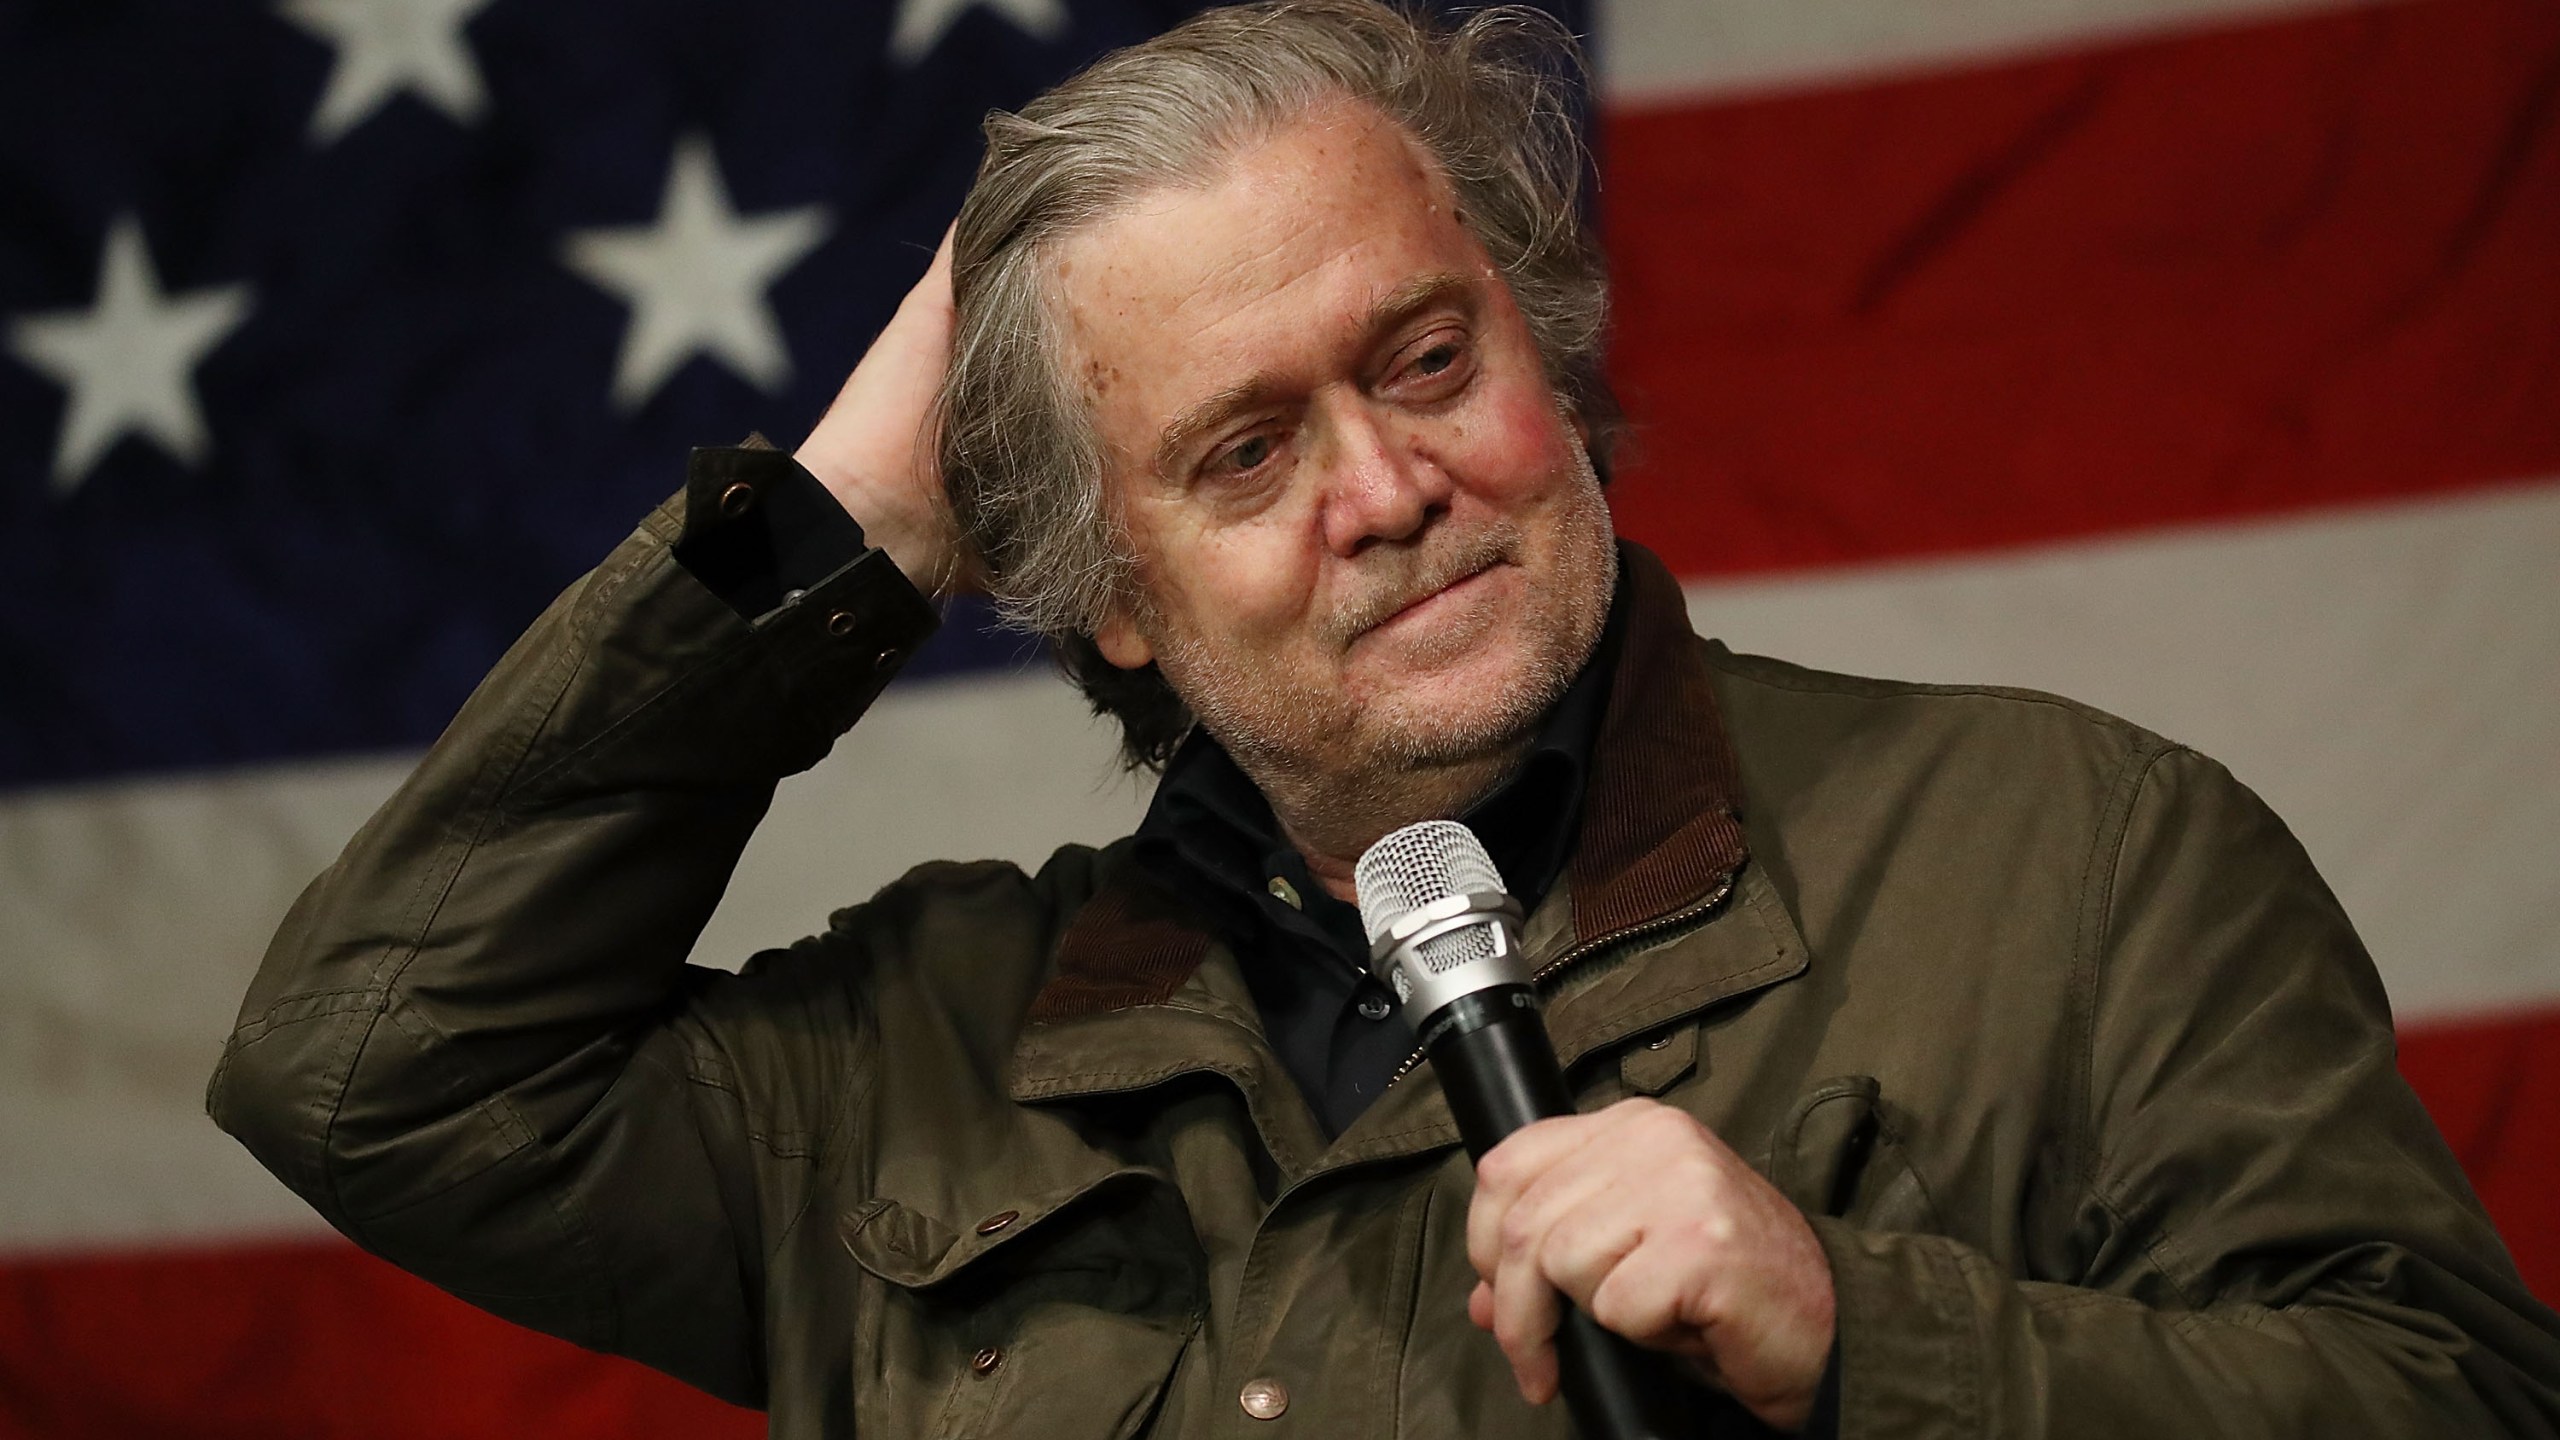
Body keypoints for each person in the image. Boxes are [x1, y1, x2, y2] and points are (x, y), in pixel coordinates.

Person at [209, 2, 2560, 1436]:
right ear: (1106, 602)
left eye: (1426, 360)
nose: (1386, 489)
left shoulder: (2074, 853)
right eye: (1239, 454)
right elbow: (372, 1067)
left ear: (1539, 354)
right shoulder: (915, 1054)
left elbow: (2448, 1404)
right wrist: (847, 519)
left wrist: (1866, 1340)